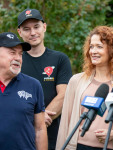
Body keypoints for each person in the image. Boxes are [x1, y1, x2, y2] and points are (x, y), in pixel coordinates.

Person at [56, 26, 113, 150]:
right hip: (78, 147)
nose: (93, 51)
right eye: (91, 46)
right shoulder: (76, 81)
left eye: (99, 47)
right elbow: (64, 123)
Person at [17, 8, 72, 150]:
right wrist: (34, 121)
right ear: (20, 32)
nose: (33, 32)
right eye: (26, 29)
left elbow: (64, 94)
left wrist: (40, 120)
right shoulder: (15, 60)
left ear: (44, 27)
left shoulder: (60, 59)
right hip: (20, 134)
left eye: (36, 27)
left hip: (54, 135)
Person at [0, 32, 47, 149]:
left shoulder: (33, 85)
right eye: (12, 52)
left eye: (20, 54)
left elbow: (40, 129)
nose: (18, 58)